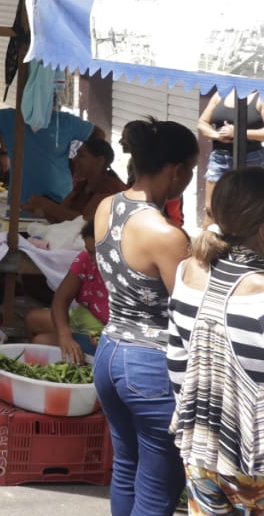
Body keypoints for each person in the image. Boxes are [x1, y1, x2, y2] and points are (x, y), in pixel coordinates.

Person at [91, 117, 198, 516]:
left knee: (126, 469)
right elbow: (189, 311)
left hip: (110, 353)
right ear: (177, 171)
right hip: (150, 365)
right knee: (157, 486)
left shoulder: (106, 207)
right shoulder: (166, 235)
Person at [168, 167, 264, 514]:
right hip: (253, 465)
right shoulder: (258, 292)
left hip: (201, 452)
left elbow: (177, 364)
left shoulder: (189, 271)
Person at [0, 64, 102, 204]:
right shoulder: (11, 118)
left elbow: (98, 134)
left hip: (60, 202)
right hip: (21, 203)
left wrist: (79, 158)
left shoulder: (64, 121)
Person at [26, 221, 108, 362]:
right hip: (84, 317)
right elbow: (61, 299)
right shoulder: (86, 259)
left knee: (41, 342)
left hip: (104, 334)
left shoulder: (133, 271)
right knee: (32, 318)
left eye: (96, 253)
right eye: (89, 251)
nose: (92, 259)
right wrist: (64, 335)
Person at [196, 89, 264, 223]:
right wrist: (216, 135)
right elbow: (202, 122)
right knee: (211, 207)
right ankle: (209, 241)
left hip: (251, 158)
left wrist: (239, 132)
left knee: (248, 206)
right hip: (219, 157)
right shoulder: (221, 94)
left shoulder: (260, 96)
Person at [25, 137, 126, 223]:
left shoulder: (110, 187)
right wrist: (40, 210)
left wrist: (46, 205)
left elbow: (85, 222)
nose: (74, 160)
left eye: (81, 156)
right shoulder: (82, 186)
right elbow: (61, 218)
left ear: (99, 161)